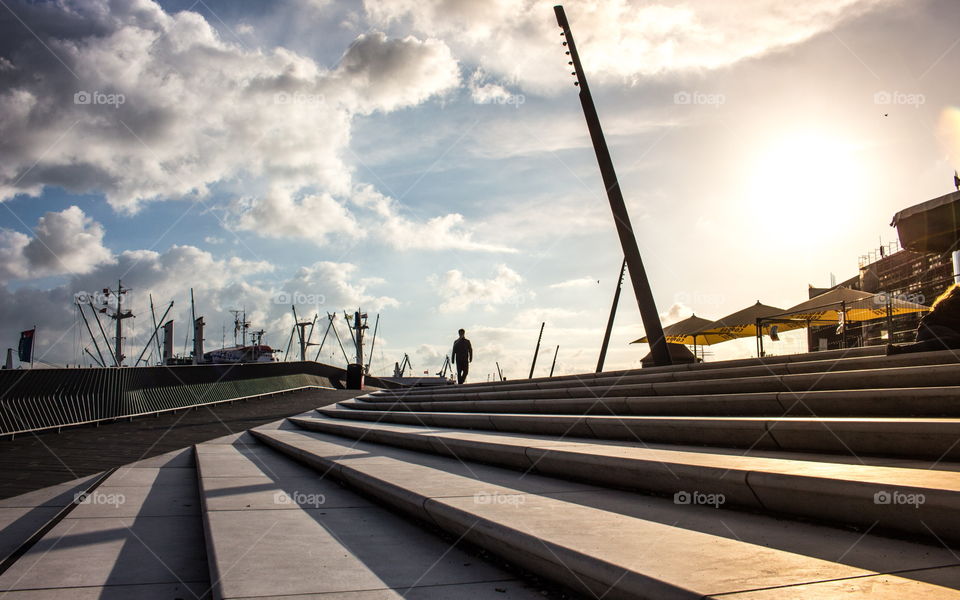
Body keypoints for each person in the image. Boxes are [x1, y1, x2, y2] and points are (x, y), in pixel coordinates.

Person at [888, 284, 960, 354]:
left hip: (932, 332)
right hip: (931, 330)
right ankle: (901, 350)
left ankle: (901, 350)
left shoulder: (951, 300)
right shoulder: (955, 301)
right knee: (957, 341)